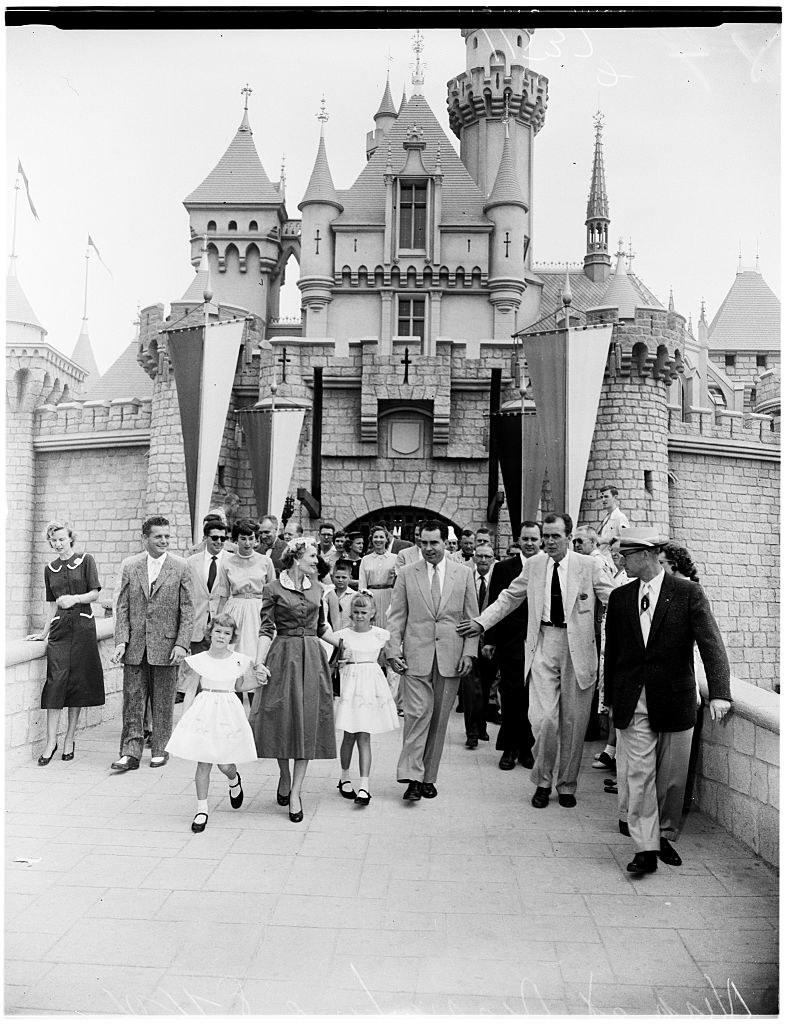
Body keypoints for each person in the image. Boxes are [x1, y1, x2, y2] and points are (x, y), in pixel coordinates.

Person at [459, 512, 613, 808]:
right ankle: (542, 782)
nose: (550, 541)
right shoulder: (534, 565)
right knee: (543, 720)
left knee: (574, 723)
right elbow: (507, 598)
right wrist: (481, 623)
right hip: (543, 643)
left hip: (578, 648)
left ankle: (566, 785)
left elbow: (614, 598)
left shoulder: (589, 566)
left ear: (570, 537)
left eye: (556, 536)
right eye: (547, 536)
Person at [605, 528, 732, 875]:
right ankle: (645, 847)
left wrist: (720, 692)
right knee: (638, 775)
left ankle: (664, 835)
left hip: (675, 698)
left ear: (646, 555)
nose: (620, 561)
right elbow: (612, 654)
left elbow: (711, 643)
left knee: (672, 779)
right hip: (634, 700)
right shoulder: (619, 598)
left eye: (625, 555)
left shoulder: (687, 593)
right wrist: (610, 699)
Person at [385, 520, 479, 802]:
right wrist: (392, 650)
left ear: (445, 542)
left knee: (439, 720)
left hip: (450, 655)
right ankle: (412, 777)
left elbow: (471, 617)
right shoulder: (405, 573)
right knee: (416, 714)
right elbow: (396, 616)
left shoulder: (463, 573)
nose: (428, 549)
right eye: (423, 543)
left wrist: (469, 652)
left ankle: (428, 777)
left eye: (433, 543)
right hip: (415, 656)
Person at [253, 536, 337, 823]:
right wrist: (259, 662)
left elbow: (323, 627)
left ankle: (296, 792)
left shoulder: (319, 589)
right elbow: (266, 629)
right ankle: (284, 775)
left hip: (312, 659)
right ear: (297, 557)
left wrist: (345, 644)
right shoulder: (273, 588)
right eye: (313, 556)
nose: (317, 560)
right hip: (284, 656)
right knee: (283, 719)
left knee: (308, 722)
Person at [110, 515, 194, 771]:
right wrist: (121, 641)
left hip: (168, 647)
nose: (164, 541)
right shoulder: (131, 565)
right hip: (135, 646)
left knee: (163, 700)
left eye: (167, 536)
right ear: (144, 538)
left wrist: (181, 643)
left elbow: (188, 609)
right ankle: (130, 752)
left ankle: (160, 748)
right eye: (158, 536)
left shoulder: (180, 566)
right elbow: (122, 606)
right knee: (133, 700)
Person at [166, 613, 263, 832]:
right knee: (204, 761)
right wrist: (185, 717)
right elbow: (190, 689)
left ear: (232, 637)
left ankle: (233, 779)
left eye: (226, 633)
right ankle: (202, 809)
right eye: (218, 631)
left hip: (228, 711)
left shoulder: (238, 660)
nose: (221, 636)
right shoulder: (199, 660)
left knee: (224, 763)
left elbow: (238, 686)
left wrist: (259, 681)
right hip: (205, 711)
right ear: (210, 633)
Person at [27, 520, 105, 764]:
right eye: (54, 540)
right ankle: (51, 742)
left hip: (83, 627)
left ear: (71, 538)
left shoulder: (86, 560)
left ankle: (70, 738)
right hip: (60, 632)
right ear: (50, 542)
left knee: (78, 683)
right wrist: (44, 632)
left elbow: (95, 593)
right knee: (56, 682)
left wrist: (75, 599)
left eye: (62, 538)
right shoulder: (50, 568)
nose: (58, 543)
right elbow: (52, 604)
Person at [329, 591, 399, 806]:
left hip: (370, 688)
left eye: (363, 612)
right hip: (350, 687)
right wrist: (341, 659)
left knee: (364, 736)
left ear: (372, 613)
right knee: (349, 735)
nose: (359, 616)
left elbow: (392, 658)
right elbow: (333, 663)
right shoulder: (341, 635)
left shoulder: (381, 634)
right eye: (356, 612)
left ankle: (365, 786)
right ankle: (344, 777)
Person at [484, 520, 541, 771]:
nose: (529, 544)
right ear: (519, 540)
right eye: (525, 539)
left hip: (539, 641)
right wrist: (491, 640)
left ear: (540, 541)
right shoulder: (504, 568)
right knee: (511, 695)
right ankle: (509, 747)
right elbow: (496, 604)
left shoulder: (547, 566)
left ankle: (528, 747)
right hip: (511, 641)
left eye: (533, 539)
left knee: (532, 697)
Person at [215, 519, 275, 666]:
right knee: (234, 652)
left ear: (256, 539)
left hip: (259, 609)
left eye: (251, 538)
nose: (247, 543)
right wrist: (217, 622)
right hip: (235, 610)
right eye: (243, 539)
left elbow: (274, 593)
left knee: (257, 651)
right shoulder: (227, 563)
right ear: (236, 540)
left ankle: (254, 687)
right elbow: (223, 596)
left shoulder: (266, 562)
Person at [462, 542, 496, 750]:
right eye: (480, 556)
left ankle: (482, 725)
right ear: (474, 557)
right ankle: (471, 731)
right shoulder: (466, 576)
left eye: (487, 557)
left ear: (493, 559)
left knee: (485, 685)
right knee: (469, 688)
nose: (483, 560)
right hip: (468, 638)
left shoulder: (497, 578)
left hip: (489, 641)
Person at [358, 524, 397, 627]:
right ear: (371, 539)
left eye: (381, 537)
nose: (378, 540)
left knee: (388, 625)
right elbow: (362, 583)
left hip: (389, 596)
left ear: (386, 540)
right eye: (375, 537)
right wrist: (364, 599)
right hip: (371, 596)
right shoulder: (365, 559)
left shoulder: (395, 558)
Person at [597, 486, 629, 558]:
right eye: (601, 497)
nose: (603, 500)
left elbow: (626, 539)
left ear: (615, 497)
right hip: (603, 558)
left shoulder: (620, 517)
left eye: (606, 496)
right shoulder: (606, 518)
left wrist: (605, 540)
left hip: (613, 559)